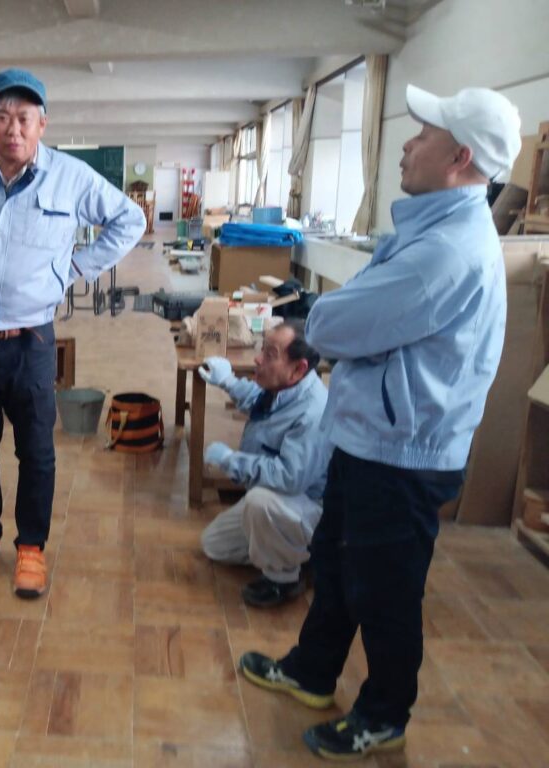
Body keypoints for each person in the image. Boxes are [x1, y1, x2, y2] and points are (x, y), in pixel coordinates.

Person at [240, 85, 520, 761]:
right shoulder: (431, 230)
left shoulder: (446, 251)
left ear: (459, 157)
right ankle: (312, 671)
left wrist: (328, 317)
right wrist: (341, 314)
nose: (406, 144)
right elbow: (353, 318)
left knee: (386, 591)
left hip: (403, 454)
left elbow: (334, 326)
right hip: (372, 437)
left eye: (422, 135)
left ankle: (384, 713)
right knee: (337, 563)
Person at [0, 68, 145, 599]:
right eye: (3, 116)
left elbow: (129, 220)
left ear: (43, 124)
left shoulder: (70, 176)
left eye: (24, 118)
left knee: (37, 450)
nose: (13, 128)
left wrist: (73, 269)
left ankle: (32, 547)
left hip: (31, 341)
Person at [199, 320, 329, 608]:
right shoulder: (284, 388)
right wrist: (227, 381)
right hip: (285, 502)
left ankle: (284, 579)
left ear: (299, 369)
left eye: (270, 355)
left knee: (259, 501)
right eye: (262, 350)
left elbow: (290, 478)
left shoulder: (312, 412)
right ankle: (299, 553)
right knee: (214, 545)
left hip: (308, 505)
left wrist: (232, 461)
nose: (258, 359)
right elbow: (259, 402)